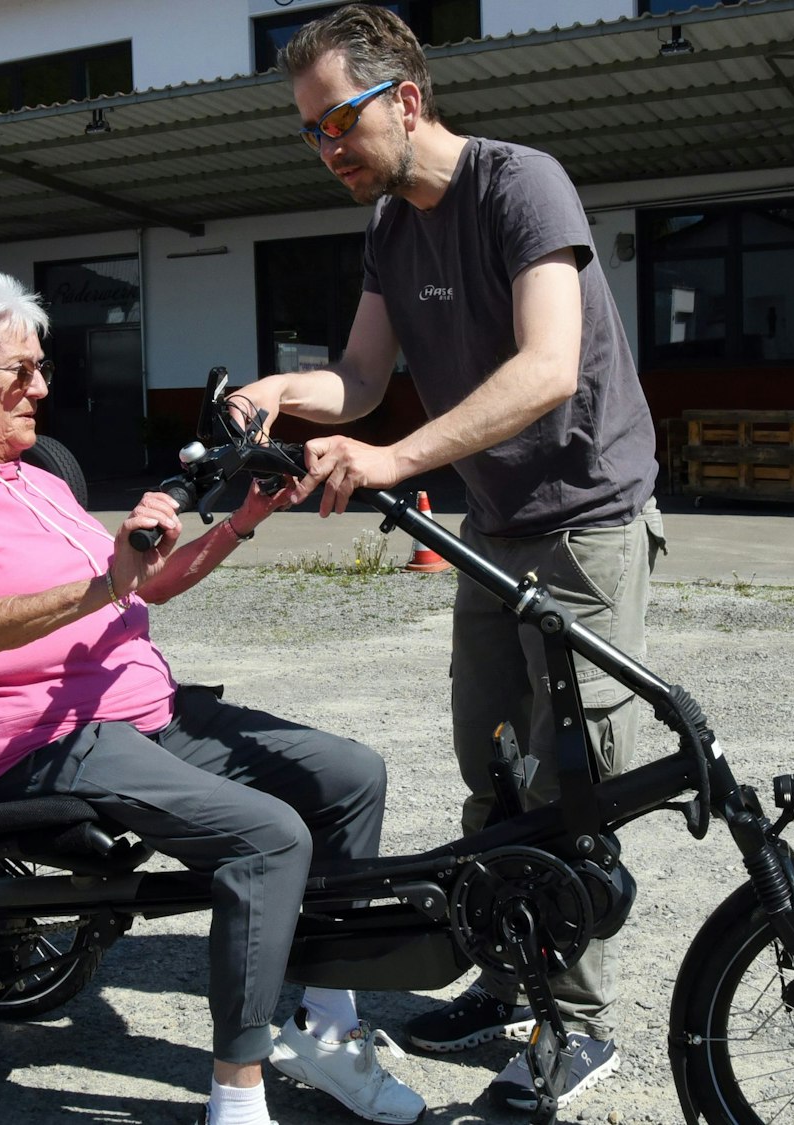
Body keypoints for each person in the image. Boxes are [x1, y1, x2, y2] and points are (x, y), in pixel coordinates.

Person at [0, 270, 425, 1125]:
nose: (41, 387)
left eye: (41, 367)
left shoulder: (39, 483)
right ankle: (236, 1098)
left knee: (351, 774)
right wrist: (104, 582)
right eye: (20, 371)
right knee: (268, 839)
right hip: (29, 741)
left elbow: (143, 588)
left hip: (141, 716)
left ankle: (326, 1022)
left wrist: (241, 518)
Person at [256, 6, 664, 1114]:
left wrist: (390, 461)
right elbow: (359, 375)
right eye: (309, 132)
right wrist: (279, 397)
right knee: (488, 767)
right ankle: (508, 976)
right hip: (491, 529)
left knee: (569, 783)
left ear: (406, 99)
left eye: (335, 121)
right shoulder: (391, 227)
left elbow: (546, 368)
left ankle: (576, 1027)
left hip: (583, 522)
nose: (325, 147)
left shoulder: (518, 185)